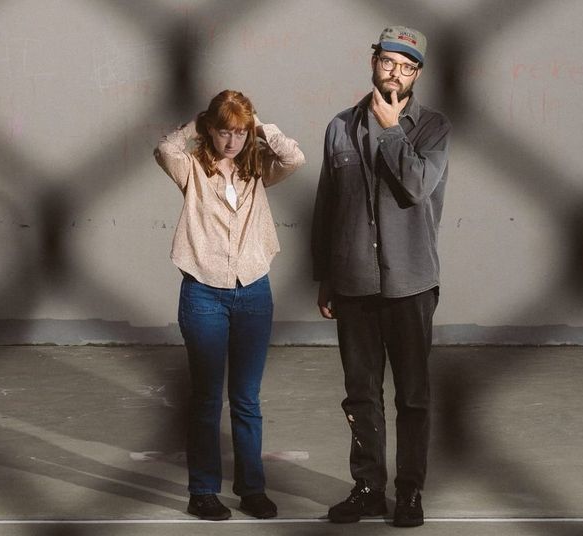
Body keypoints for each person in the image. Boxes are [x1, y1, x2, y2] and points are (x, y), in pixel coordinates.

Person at [311, 26, 451, 527]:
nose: (396, 73)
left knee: (412, 396)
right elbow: (327, 206)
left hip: (411, 282)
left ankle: (409, 492)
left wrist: (392, 131)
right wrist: (324, 276)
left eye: (407, 66)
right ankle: (368, 488)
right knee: (361, 393)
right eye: (388, 62)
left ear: (418, 74)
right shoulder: (340, 127)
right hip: (353, 281)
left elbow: (416, 187)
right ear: (373, 62)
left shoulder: (432, 128)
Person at [154, 90, 305, 521]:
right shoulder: (191, 168)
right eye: (224, 131)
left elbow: (294, 158)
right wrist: (197, 123)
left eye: (240, 132)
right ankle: (202, 491)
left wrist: (260, 127)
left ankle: (251, 489)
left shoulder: (257, 168)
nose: (232, 141)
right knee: (206, 398)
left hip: (253, 291)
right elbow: (165, 149)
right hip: (203, 292)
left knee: (247, 399)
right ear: (211, 129)